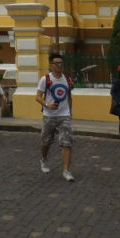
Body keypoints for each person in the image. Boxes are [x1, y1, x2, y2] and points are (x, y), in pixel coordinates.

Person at [35, 51, 75, 181]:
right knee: (46, 141)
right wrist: (47, 104)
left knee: (67, 143)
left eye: (61, 63)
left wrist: (70, 112)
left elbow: (69, 97)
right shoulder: (45, 79)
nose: (59, 65)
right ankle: (44, 159)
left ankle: (67, 170)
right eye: (57, 63)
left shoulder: (67, 80)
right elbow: (37, 97)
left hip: (64, 116)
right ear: (51, 65)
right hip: (49, 116)